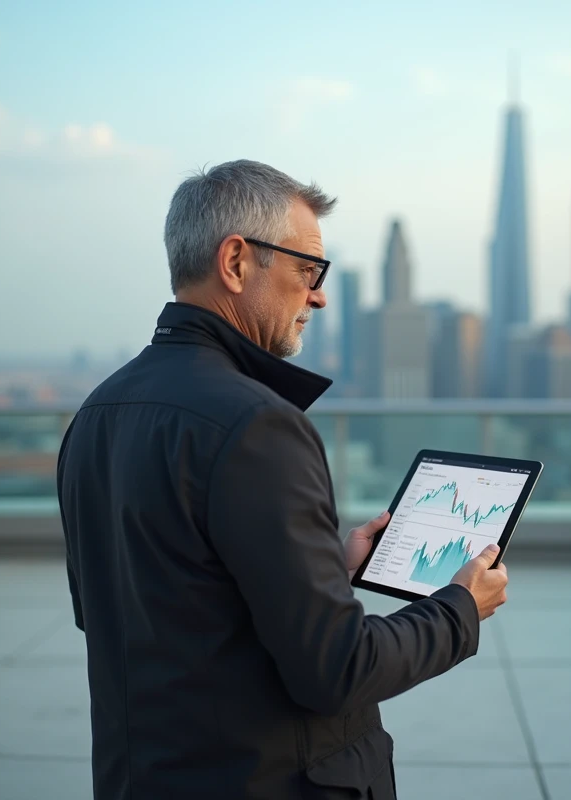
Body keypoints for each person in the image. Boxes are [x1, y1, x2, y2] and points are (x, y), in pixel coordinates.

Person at [57, 160, 509, 799]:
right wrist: (461, 608)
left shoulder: (97, 412)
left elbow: (133, 610)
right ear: (236, 262)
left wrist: (323, 570)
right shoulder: (257, 424)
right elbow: (339, 670)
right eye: (307, 270)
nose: (319, 296)